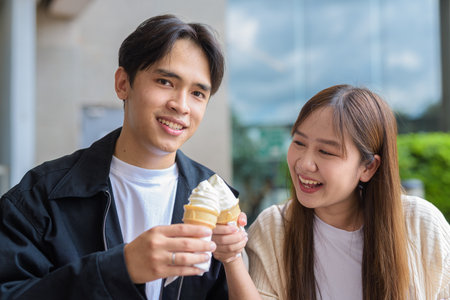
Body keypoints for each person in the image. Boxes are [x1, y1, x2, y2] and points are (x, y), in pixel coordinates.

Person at [0, 14, 253, 300]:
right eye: (165, 82)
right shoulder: (39, 198)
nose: (181, 106)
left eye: (197, 93)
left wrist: (233, 259)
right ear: (123, 84)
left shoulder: (217, 201)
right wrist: (120, 267)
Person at [246, 84, 450, 299]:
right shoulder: (273, 228)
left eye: (326, 151)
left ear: (368, 167)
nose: (305, 164)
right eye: (298, 142)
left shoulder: (420, 224)